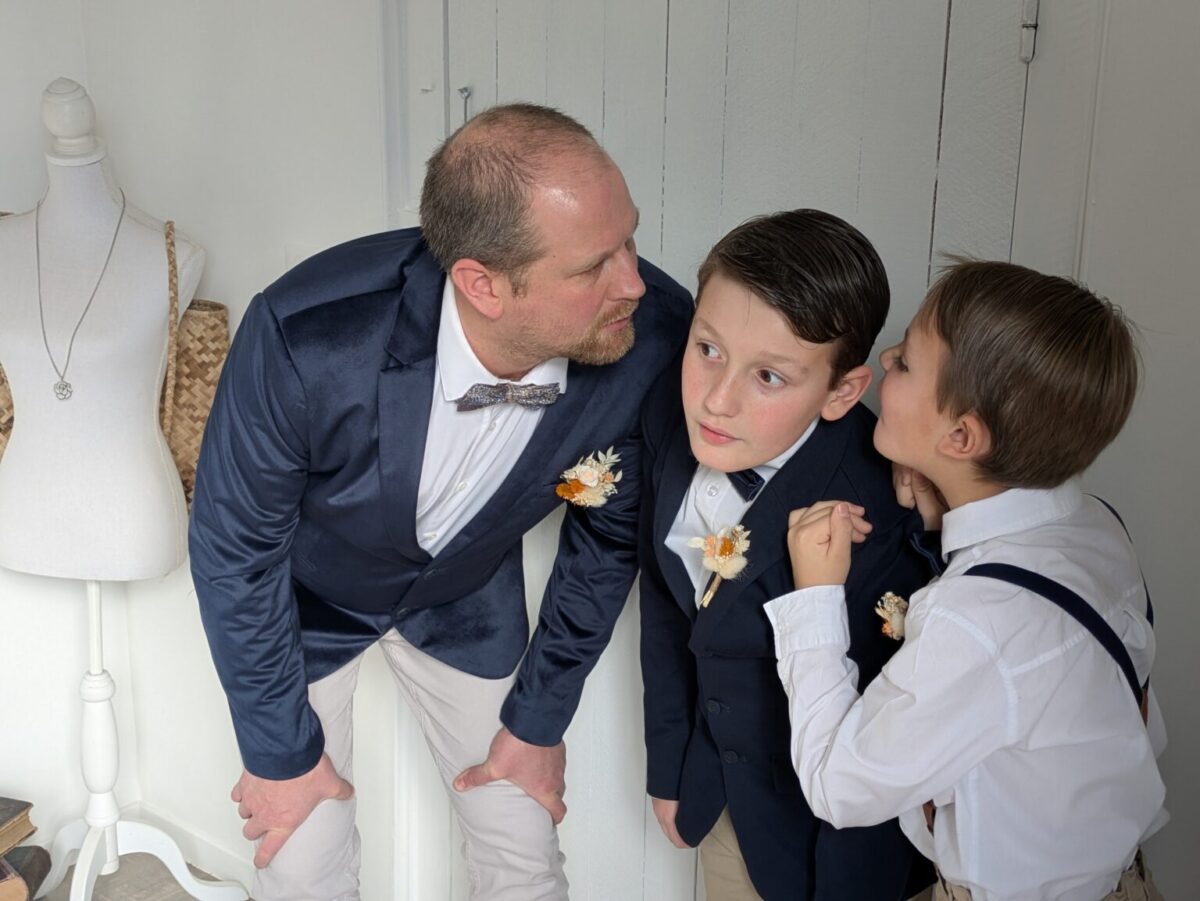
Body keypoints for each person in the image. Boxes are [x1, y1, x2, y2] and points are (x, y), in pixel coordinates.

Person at [190, 103, 692, 900]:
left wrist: (538, 720)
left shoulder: (651, 336)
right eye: (593, 263)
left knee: (524, 839)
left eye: (630, 239)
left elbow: (605, 546)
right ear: (481, 284)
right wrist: (279, 756)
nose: (634, 280)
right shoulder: (306, 334)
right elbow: (234, 550)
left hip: (464, 594)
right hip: (308, 601)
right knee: (301, 861)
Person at [774, 260, 1168, 900]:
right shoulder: (1097, 524)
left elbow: (837, 785)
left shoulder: (979, 617)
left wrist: (815, 596)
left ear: (961, 435)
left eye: (904, 363)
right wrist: (946, 508)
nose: (887, 354)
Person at [638, 210, 930, 899]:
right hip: (727, 807)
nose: (717, 398)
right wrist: (671, 764)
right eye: (708, 349)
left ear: (843, 392)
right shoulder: (666, 417)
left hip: (846, 844)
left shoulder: (883, 500)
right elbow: (664, 599)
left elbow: (908, 699)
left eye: (769, 376)